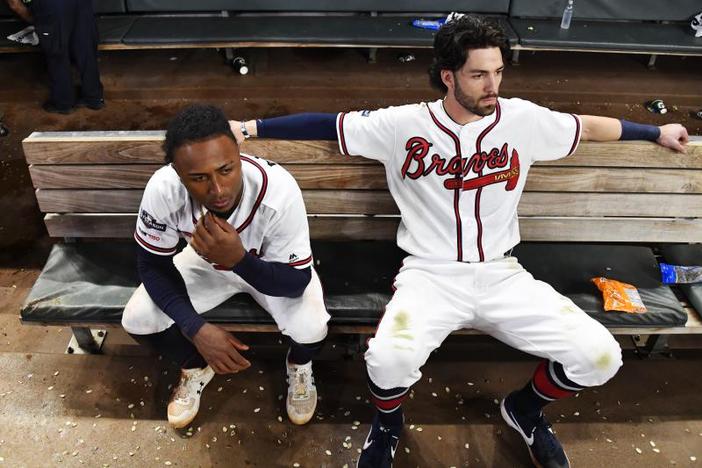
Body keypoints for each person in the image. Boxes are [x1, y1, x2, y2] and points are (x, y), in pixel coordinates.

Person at [229, 14, 689, 468]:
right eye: (479, 74)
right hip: (430, 274)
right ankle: (388, 425)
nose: (493, 85)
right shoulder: (402, 125)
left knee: (602, 356)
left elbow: (586, 127)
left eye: (498, 72)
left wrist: (656, 131)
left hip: (502, 274)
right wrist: (248, 130)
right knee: (387, 360)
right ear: (448, 76)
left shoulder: (523, 119)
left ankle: (524, 411)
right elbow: (329, 125)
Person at [121, 104, 330, 429]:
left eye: (226, 169)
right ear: (177, 172)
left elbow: (296, 282)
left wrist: (239, 261)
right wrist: (196, 328)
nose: (217, 189)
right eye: (199, 177)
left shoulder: (277, 189)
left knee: (312, 327)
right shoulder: (164, 189)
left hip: (267, 266)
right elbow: (152, 266)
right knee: (137, 319)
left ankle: (299, 365)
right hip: (206, 263)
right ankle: (194, 367)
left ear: (238, 153)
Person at [5, 0, 104, 114]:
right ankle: (94, 98)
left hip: (51, 6)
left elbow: (14, 4)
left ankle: (63, 103)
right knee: (86, 49)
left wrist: (37, 20)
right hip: (81, 4)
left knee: (57, 55)